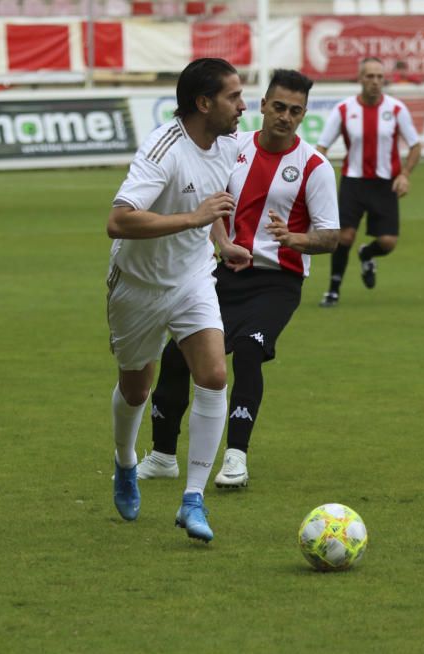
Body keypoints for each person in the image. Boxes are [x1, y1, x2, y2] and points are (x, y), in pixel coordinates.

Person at [135, 69, 340, 489]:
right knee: (178, 356)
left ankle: (235, 458)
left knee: (249, 350)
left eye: (295, 111)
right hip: (221, 274)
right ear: (263, 105)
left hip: (277, 282)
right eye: (278, 106)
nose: (285, 116)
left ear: (304, 116)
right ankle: (161, 456)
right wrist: (224, 242)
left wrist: (294, 239)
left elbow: (332, 236)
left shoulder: (315, 167)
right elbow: (211, 207)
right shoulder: (232, 148)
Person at [106, 58, 245, 542]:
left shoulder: (226, 144)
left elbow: (213, 204)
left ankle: (193, 500)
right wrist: (193, 218)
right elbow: (119, 220)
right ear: (203, 103)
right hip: (139, 286)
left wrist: (222, 242)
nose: (242, 106)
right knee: (136, 389)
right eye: (233, 97)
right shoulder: (163, 149)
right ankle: (126, 462)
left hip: (192, 277)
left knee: (213, 375)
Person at [316, 57, 421, 307]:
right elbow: (322, 147)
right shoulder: (344, 109)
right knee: (344, 237)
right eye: (369, 76)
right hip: (353, 182)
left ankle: (367, 254)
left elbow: (415, 146)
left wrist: (405, 174)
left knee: (388, 242)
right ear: (360, 79)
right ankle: (333, 290)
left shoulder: (396, 109)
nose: (375, 82)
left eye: (379, 77)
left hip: (385, 184)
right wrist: (318, 179)